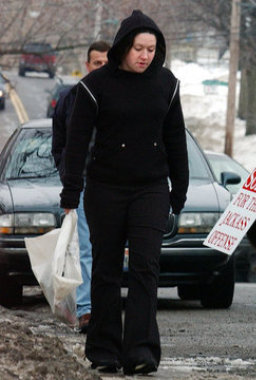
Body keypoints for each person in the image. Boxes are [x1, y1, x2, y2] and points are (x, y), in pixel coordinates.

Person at [59, 10, 189, 375]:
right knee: (106, 268)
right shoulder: (94, 86)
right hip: (105, 189)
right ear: (123, 47)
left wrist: (178, 192)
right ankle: (104, 350)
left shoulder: (167, 84)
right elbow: (76, 143)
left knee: (146, 266)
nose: (145, 55)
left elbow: (176, 140)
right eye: (138, 48)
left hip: (150, 188)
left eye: (151, 49)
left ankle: (142, 351)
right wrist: (72, 191)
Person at [52, 40, 111, 334]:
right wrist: (68, 176)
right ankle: (87, 310)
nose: (101, 67)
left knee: (112, 247)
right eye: (96, 63)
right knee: (87, 247)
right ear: (87, 66)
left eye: (106, 62)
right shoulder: (70, 98)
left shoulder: (120, 97)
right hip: (85, 183)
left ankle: (108, 307)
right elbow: (60, 142)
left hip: (115, 183)